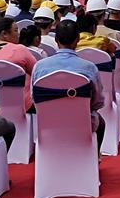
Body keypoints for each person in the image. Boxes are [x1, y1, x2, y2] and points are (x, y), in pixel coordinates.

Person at [29, 20, 105, 150]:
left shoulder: (39, 67)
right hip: (83, 123)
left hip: (48, 124)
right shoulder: (89, 68)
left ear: (56, 40)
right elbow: (98, 102)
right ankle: (94, 158)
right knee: (101, 123)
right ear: (78, 39)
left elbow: (34, 98)